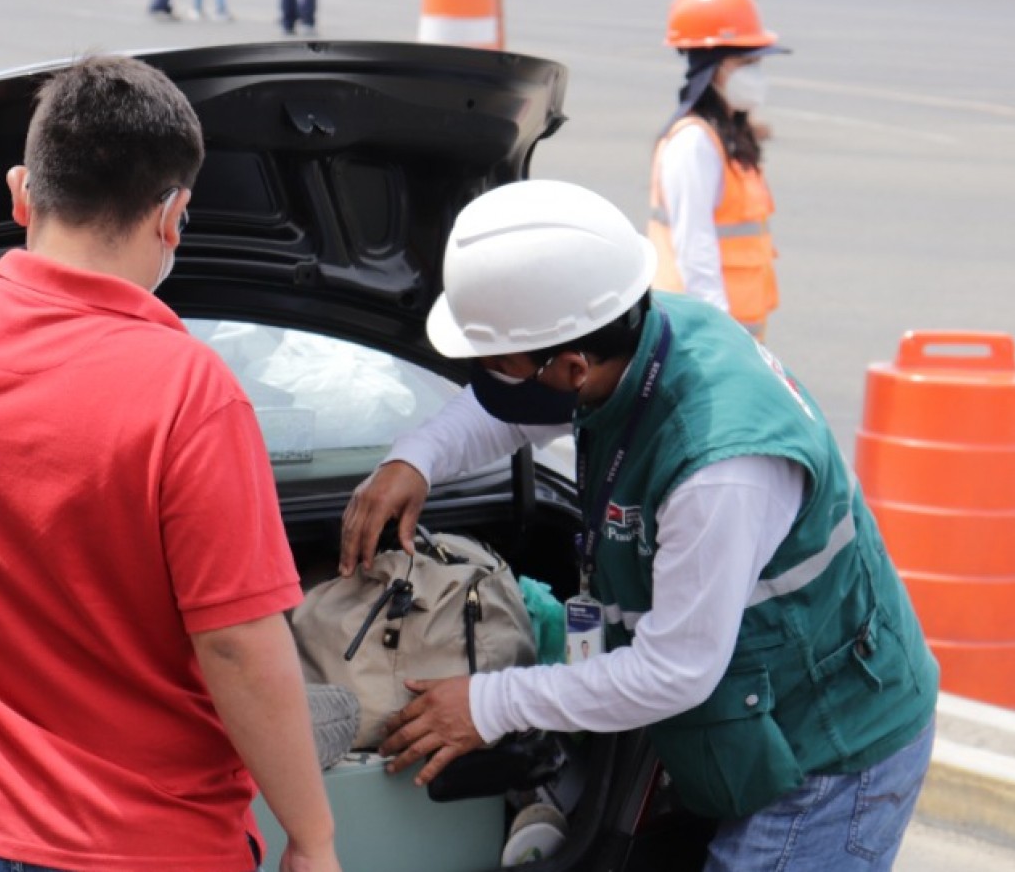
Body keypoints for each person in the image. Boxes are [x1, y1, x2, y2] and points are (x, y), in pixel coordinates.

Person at [337, 180, 939, 872]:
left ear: (570, 367)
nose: (482, 377)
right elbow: (508, 407)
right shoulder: (630, 344)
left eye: (494, 362)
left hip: (830, 750)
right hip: (749, 718)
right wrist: (414, 461)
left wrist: (488, 703)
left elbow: (673, 672)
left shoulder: (721, 468)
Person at [0, 60, 340, 872]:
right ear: (174, 216)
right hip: (148, 845)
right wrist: (313, 837)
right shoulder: (191, 393)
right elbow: (237, 646)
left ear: (20, 196)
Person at [651, 0, 784, 338]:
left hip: (728, 333)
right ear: (714, 67)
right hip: (701, 334)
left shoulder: (725, 136)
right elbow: (695, 250)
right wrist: (720, 334)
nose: (756, 73)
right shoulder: (694, 143)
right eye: (746, 62)